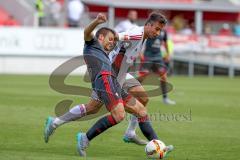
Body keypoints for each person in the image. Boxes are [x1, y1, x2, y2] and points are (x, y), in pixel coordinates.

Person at [44, 12, 174, 157]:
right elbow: (118, 36)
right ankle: (66, 128)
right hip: (109, 76)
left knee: (141, 104)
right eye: (156, 29)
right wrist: (109, 39)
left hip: (120, 76)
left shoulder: (142, 37)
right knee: (96, 109)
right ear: (148, 25)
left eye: (160, 30)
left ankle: (144, 139)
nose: (158, 33)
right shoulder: (137, 34)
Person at [138, 29, 176, 105]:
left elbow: (165, 42)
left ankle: (165, 99)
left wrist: (168, 53)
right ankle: (132, 94)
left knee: (164, 77)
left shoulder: (164, 31)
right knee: (142, 77)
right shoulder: (149, 30)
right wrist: (140, 53)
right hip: (148, 57)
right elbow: (141, 41)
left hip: (158, 57)